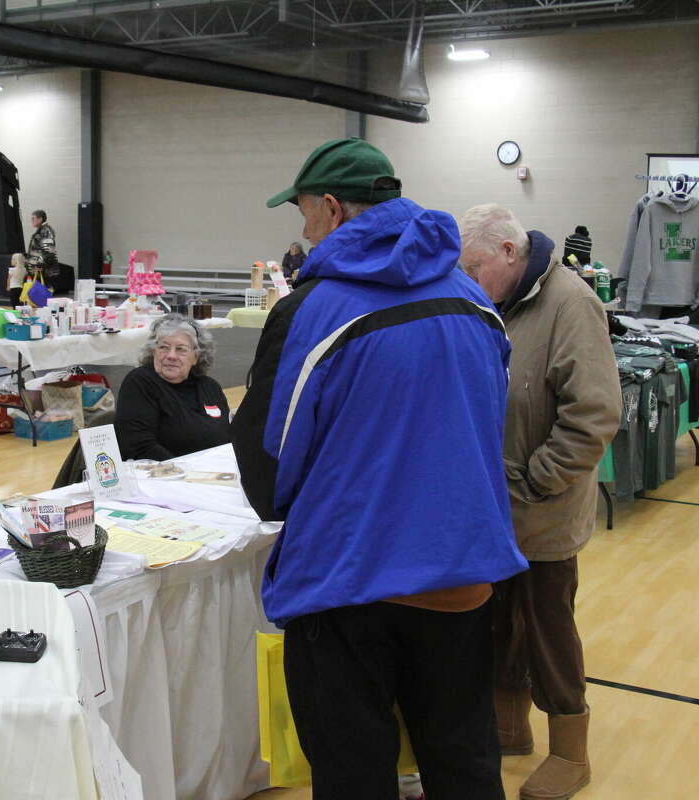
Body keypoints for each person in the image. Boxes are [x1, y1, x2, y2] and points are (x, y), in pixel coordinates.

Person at [231, 138, 527, 800]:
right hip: (462, 577)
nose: (303, 231)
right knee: (465, 767)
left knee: (354, 776)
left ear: (332, 211)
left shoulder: (311, 311)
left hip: (349, 585)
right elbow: (483, 425)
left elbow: (268, 470)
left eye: (304, 213)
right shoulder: (475, 301)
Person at [458, 204, 620, 800]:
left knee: (549, 629)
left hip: (541, 507)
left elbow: (594, 412)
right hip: (494, 506)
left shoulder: (571, 303)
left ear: (508, 252)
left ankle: (571, 752)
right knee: (496, 620)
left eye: (474, 266)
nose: (467, 279)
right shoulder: (491, 303)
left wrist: (537, 482)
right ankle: (508, 725)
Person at [115, 313, 230, 461]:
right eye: (164, 347)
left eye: (181, 349)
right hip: (163, 477)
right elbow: (138, 447)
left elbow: (228, 438)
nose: (171, 355)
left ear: (196, 357)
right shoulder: (140, 382)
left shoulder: (211, 387)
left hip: (215, 475)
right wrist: (188, 474)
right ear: (153, 351)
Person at [26, 208, 58, 288]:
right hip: (40, 271)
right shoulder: (42, 230)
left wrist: (39, 265)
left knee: (43, 297)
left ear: (40, 219)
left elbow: (49, 252)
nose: (31, 221)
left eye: (33, 218)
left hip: (44, 272)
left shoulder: (46, 231)